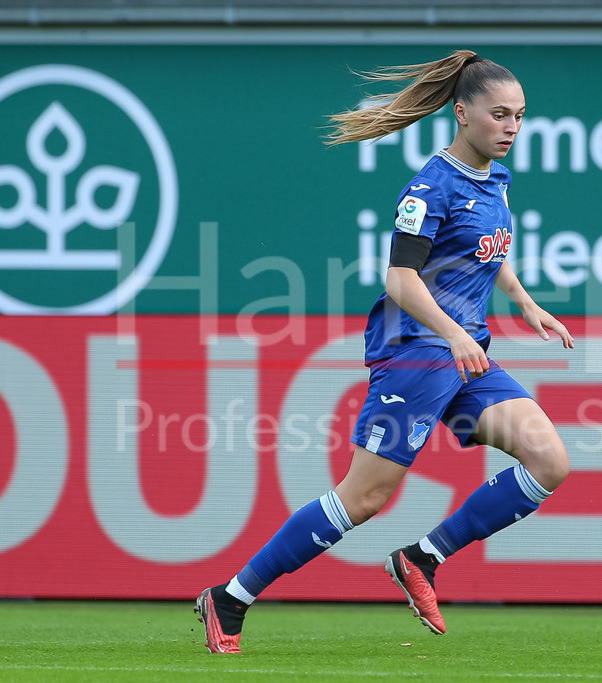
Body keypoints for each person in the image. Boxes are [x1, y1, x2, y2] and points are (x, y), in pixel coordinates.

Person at [195, 50, 574, 654]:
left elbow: (486, 254)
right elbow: (401, 279)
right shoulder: (430, 187)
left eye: (520, 116)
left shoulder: (495, 178)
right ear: (461, 112)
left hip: (464, 355)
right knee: (365, 496)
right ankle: (231, 597)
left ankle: (422, 558)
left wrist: (525, 302)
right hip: (418, 355)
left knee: (549, 460)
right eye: (500, 114)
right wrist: (451, 332)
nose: (511, 127)